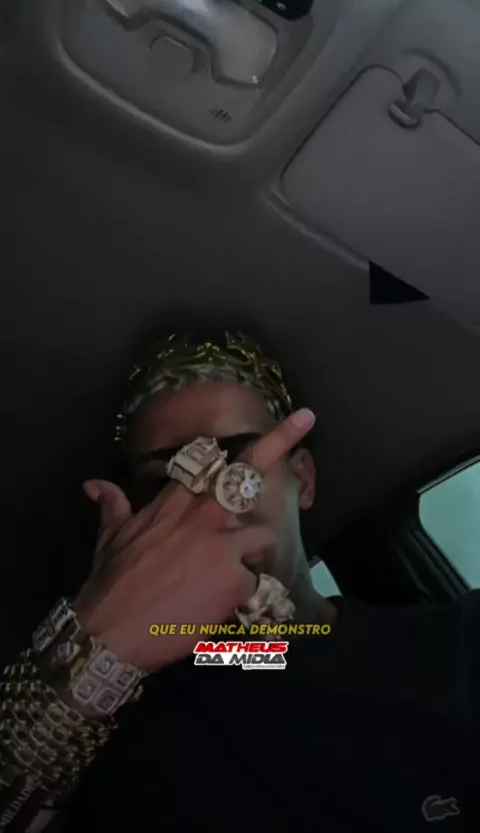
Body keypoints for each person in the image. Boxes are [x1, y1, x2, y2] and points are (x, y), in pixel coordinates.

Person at [0, 330, 478, 833]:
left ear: (304, 479)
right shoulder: (106, 735)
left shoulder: (459, 646)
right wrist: (95, 648)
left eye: (237, 462)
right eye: (166, 481)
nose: (208, 499)